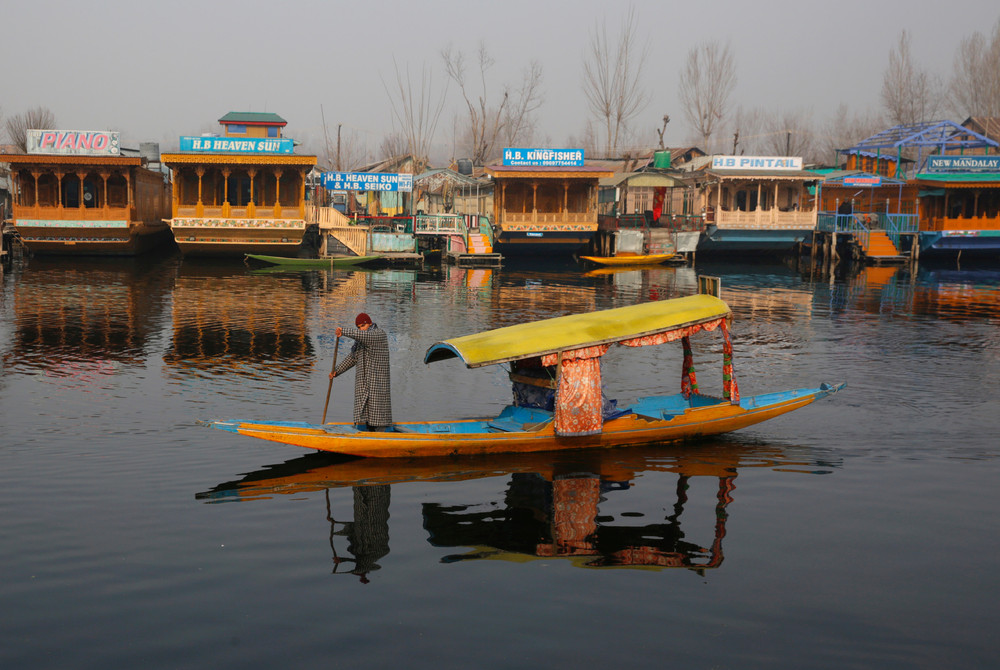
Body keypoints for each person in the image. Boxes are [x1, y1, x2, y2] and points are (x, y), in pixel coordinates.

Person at [330, 313, 392, 431]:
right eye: (358, 327)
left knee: (378, 418)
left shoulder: (378, 335)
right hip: (364, 386)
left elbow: (363, 336)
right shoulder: (360, 343)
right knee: (364, 417)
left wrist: (344, 331)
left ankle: (381, 438)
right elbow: (352, 359)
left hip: (377, 386)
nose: (361, 329)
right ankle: (366, 436)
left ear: (369, 323)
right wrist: (336, 371)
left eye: (363, 326)